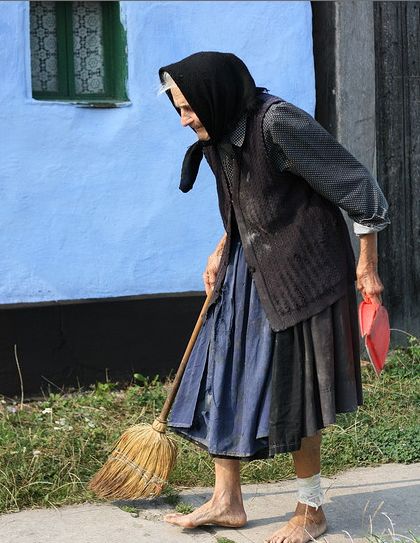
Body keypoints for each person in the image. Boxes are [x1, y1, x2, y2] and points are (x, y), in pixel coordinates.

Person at [157, 52, 389, 543]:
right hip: (250, 262)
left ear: (213, 94)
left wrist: (366, 265)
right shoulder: (218, 130)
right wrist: (222, 248)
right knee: (221, 371)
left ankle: (311, 508)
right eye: (178, 110)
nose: (185, 120)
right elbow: (245, 200)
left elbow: (358, 185)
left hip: (304, 270)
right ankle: (227, 500)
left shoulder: (277, 123)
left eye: (188, 108)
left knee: (298, 387)